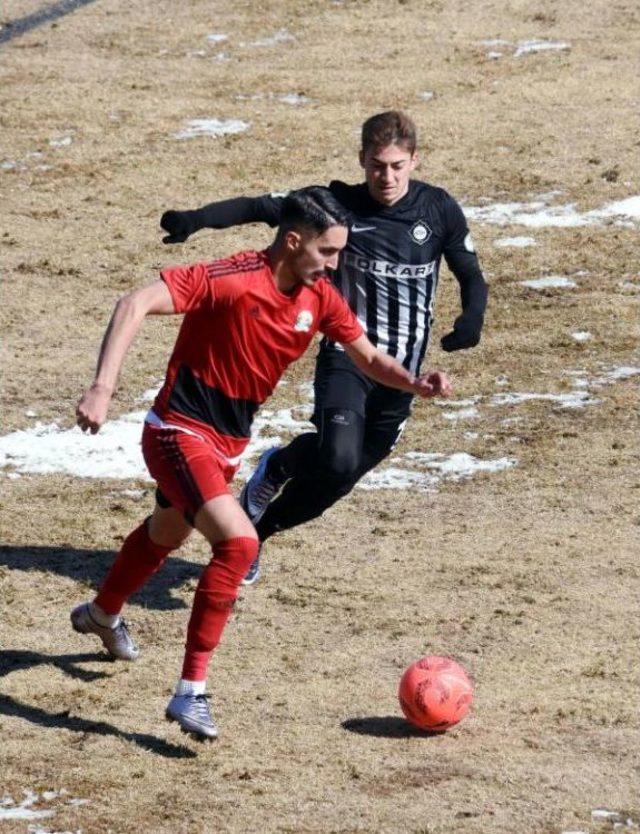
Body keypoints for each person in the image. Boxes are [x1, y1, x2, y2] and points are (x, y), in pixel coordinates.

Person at [72, 187, 452, 740]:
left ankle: (102, 615)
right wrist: (102, 388)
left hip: (226, 444)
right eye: (327, 252)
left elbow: (367, 357)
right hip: (179, 433)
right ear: (292, 241)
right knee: (239, 543)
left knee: (165, 533)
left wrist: (416, 383)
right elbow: (133, 304)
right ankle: (190, 694)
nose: (335, 264)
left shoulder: (319, 298)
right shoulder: (231, 278)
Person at [160, 111, 488, 586]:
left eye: (397, 165)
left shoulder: (437, 210)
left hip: (402, 370)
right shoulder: (337, 207)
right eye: (377, 165)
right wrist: (196, 220)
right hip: (350, 357)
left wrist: (471, 319)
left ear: (415, 160)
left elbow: (470, 273)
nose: (387, 177)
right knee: (336, 456)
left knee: (342, 476)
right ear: (361, 160)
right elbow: (262, 207)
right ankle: (275, 479)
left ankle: (261, 523)